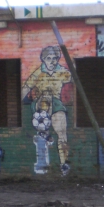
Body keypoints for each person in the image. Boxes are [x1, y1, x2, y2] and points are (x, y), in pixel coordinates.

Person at [22, 45, 72, 176]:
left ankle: (64, 163)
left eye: (55, 58)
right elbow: (26, 87)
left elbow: (74, 78)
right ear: (43, 59)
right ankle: (44, 129)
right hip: (40, 104)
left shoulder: (62, 72)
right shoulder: (38, 73)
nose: (52, 61)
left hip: (56, 103)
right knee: (46, 96)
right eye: (49, 58)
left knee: (61, 131)